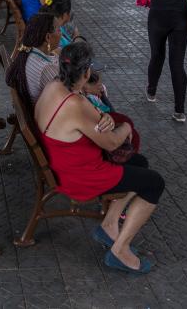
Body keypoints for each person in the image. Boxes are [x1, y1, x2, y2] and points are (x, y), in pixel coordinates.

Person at [33, 42, 164, 274]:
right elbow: (112, 142)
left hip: (60, 163)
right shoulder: (75, 103)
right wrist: (124, 127)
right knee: (154, 183)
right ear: (85, 73)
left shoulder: (54, 86)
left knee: (140, 164)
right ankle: (120, 251)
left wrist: (105, 118)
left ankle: (110, 224)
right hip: (79, 175)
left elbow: (94, 121)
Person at [4, 13, 61, 109]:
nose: (61, 34)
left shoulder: (28, 53)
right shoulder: (46, 69)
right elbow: (64, 98)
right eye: (59, 30)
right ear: (47, 37)